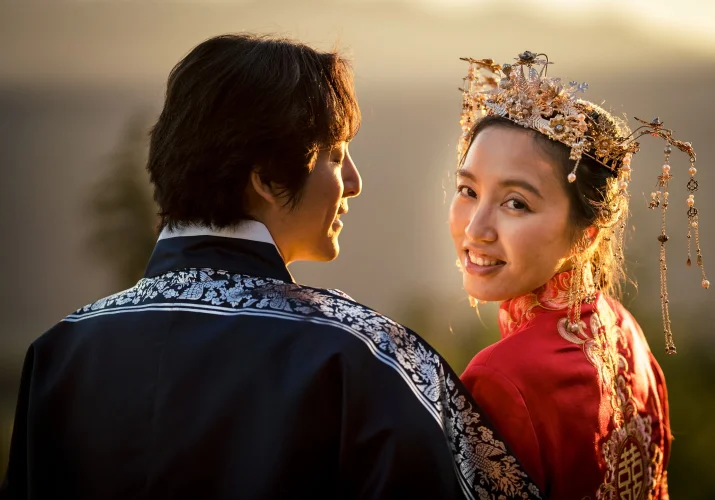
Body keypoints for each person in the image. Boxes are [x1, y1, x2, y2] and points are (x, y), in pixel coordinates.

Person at [0, 35, 542, 499]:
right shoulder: (364, 357)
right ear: (264, 177)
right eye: (335, 153)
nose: (353, 181)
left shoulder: (59, 353)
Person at [450, 51, 709, 498]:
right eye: (468, 190)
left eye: (516, 203)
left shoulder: (501, 378)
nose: (475, 229)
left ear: (587, 236)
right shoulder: (623, 328)